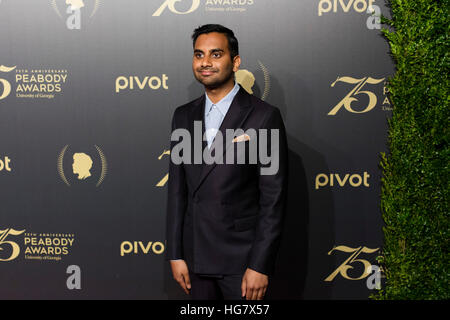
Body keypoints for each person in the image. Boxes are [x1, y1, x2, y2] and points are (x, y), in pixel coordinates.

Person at [166, 24, 288, 300]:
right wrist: (175, 253)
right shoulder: (182, 116)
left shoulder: (263, 117)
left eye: (216, 54)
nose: (205, 62)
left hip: (242, 262)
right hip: (195, 260)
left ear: (235, 62)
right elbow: (177, 191)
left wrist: (260, 264)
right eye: (199, 55)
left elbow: (273, 198)